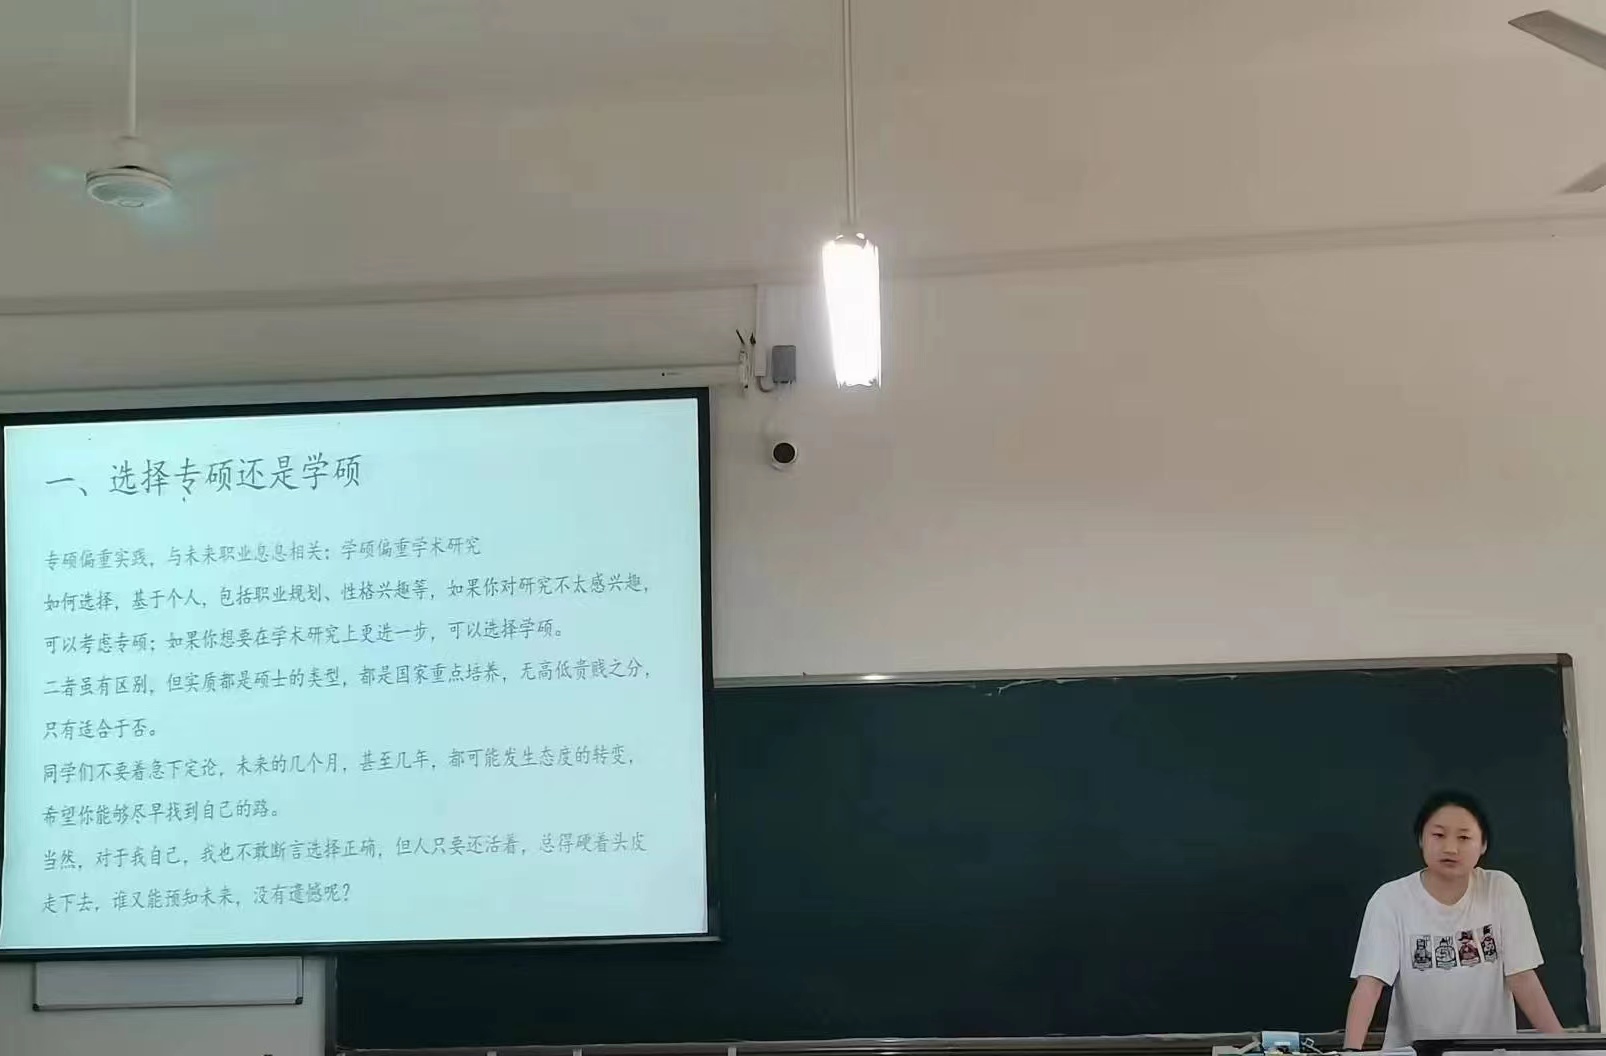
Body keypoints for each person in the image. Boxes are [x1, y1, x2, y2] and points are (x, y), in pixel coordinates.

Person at [1343, 790, 1565, 1049]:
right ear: (1421, 839)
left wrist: (1565, 1048)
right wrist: (1350, 1052)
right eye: (1438, 835)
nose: (1450, 848)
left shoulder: (1500, 889)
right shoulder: (1391, 900)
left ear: (1483, 844)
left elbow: (1523, 978)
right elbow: (1369, 985)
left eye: (1464, 837)